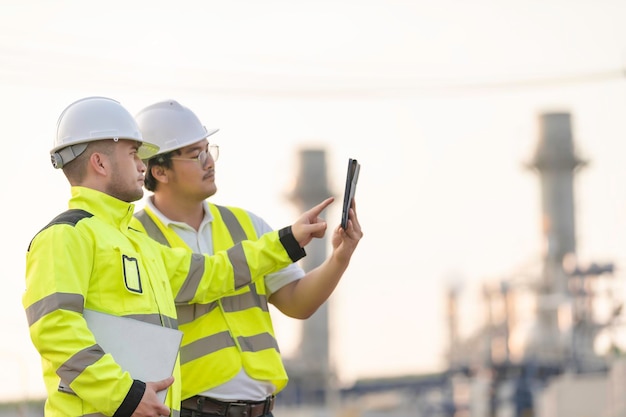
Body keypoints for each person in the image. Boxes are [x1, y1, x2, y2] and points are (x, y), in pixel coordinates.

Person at [23, 96, 334, 417]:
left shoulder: (136, 242)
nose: (143, 166)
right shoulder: (65, 235)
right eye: (133, 155)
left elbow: (212, 273)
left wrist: (289, 240)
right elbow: (55, 330)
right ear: (100, 164)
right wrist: (126, 396)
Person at [132, 99, 363, 417]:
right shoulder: (134, 238)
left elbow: (298, 302)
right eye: (195, 154)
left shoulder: (246, 225)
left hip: (261, 410)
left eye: (209, 149)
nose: (209, 162)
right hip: (190, 410)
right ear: (159, 170)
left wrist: (340, 256)